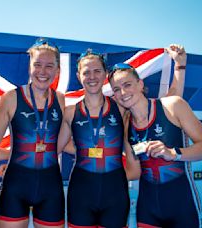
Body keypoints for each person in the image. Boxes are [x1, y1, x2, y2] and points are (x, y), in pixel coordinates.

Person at [108, 53, 202, 227]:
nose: (123, 92)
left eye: (127, 85)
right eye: (116, 89)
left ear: (140, 84)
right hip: (147, 210)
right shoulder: (127, 124)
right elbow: (134, 171)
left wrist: (173, 153)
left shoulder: (172, 105)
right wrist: (103, 178)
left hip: (182, 207)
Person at [0, 38, 66, 228]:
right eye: (37, 65)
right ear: (29, 67)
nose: (43, 72)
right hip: (16, 186)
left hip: (51, 187)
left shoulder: (60, 100)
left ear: (57, 71)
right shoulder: (11, 98)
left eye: (49, 66)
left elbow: (64, 142)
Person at [57, 50, 130, 227]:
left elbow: (160, 106)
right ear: (78, 76)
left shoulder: (122, 107)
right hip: (81, 193)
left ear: (105, 74)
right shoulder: (70, 112)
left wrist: (179, 70)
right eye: (86, 72)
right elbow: (55, 148)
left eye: (97, 71)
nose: (92, 77)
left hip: (116, 193)